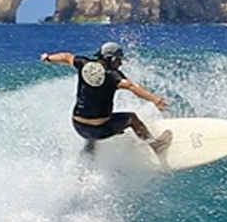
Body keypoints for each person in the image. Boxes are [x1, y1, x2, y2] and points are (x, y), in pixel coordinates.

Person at [40, 41, 172, 153]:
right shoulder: (112, 75)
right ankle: (156, 146)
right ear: (112, 59)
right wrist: (155, 99)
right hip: (100, 130)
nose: (120, 63)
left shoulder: (84, 64)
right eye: (119, 60)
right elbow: (131, 86)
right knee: (132, 118)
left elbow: (66, 56)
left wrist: (48, 58)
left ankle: (89, 152)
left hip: (78, 126)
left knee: (91, 117)